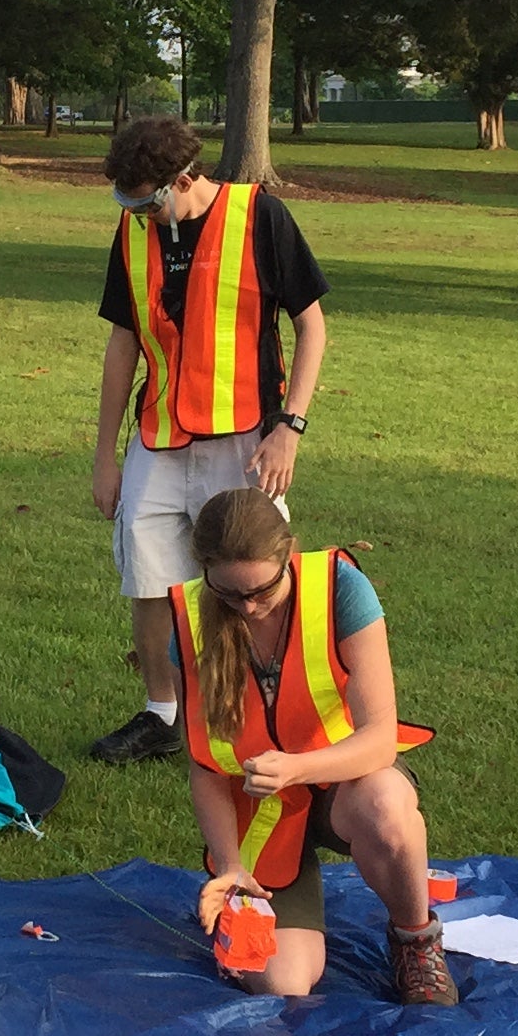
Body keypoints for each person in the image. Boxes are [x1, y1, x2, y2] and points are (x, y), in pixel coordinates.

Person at [87, 115, 331, 764]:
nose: (138, 212)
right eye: (128, 202)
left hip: (247, 436)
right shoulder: (133, 232)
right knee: (147, 577)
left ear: (183, 178)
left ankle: (285, 705)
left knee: (260, 573)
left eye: (146, 199)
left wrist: (290, 428)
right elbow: (122, 343)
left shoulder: (261, 217)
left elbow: (313, 326)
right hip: (158, 434)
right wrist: (106, 454)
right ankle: (162, 715)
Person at [169, 487, 453, 1004]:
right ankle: (251, 905)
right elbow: (206, 765)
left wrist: (296, 768)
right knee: (284, 983)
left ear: (288, 555)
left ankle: (416, 941)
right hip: (262, 814)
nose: (249, 607)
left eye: (263, 590)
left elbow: (379, 741)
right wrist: (230, 865)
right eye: (230, 594)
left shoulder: (340, 589)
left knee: (388, 805)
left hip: (346, 781)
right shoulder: (189, 623)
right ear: (204, 570)